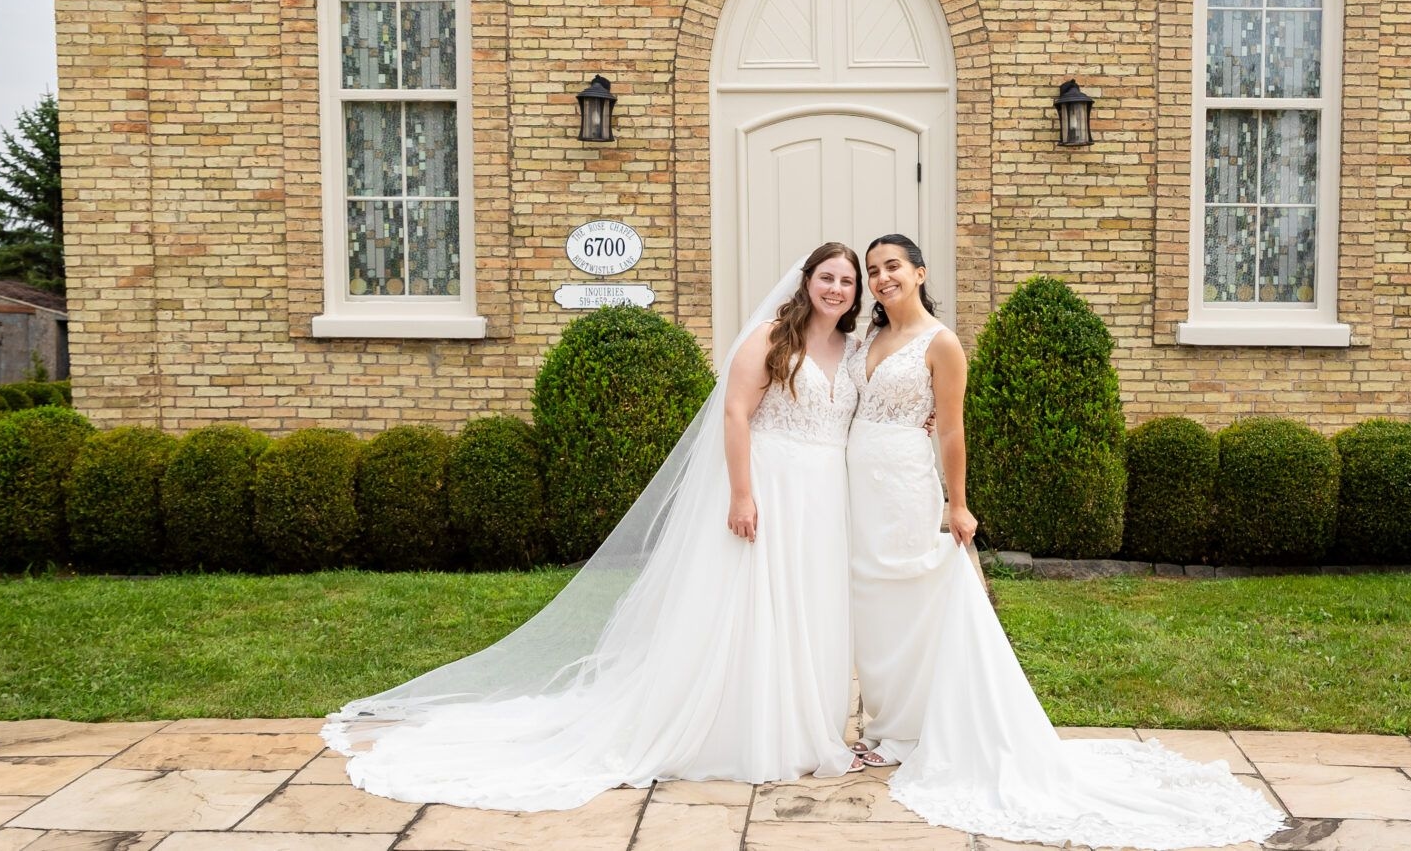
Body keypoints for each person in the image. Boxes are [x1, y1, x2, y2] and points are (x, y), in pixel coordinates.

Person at [323, 243, 865, 811]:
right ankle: (753, 731)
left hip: (824, 497)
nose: (835, 289)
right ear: (805, 282)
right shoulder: (770, 339)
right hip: (771, 484)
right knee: (759, 603)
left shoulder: (851, 349)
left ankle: (808, 728)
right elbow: (735, 412)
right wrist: (742, 493)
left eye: (846, 281)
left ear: (855, 293)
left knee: (809, 605)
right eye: (826, 277)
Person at [844, 233, 1284, 849]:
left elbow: (950, 430)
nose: (882, 277)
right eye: (873, 270)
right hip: (856, 488)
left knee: (915, 600)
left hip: (904, 488)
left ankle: (917, 728)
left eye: (893, 266)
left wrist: (958, 501)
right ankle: (883, 725)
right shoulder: (865, 339)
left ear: (919, 272)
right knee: (872, 603)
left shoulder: (941, 344)